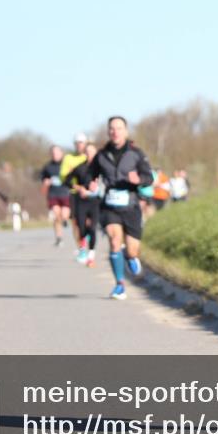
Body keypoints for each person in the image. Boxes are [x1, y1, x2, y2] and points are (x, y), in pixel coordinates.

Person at [87, 116, 154, 300]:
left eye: (119, 128)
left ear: (125, 131)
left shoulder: (136, 153)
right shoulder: (101, 155)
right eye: (112, 128)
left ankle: (130, 257)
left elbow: (149, 177)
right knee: (114, 240)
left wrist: (138, 180)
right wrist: (91, 183)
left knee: (132, 250)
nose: (115, 132)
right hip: (109, 205)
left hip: (131, 204)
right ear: (108, 132)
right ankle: (119, 285)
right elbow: (90, 174)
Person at [63, 142, 101, 267]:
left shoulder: (102, 167)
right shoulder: (80, 167)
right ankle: (83, 247)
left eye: (92, 152)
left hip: (96, 201)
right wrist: (79, 188)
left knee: (93, 228)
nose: (90, 154)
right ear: (85, 154)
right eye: (88, 152)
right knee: (82, 227)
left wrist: (99, 188)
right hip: (82, 201)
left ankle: (91, 256)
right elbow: (67, 180)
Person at [61, 132, 90, 262]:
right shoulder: (68, 158)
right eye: (77, 143)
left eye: (81, 142)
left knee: (89, 222)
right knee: (76, 223)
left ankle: (87, 240)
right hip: (75, 193)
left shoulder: (89, 156)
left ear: (86, 143)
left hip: (90, 194)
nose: (79, 145)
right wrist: (76, 186)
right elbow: (64, 175)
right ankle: (81, 248)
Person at [40, 145, 71, 246]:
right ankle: (59, 237)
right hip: (53, 194)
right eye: (53, 153)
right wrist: (46, 182)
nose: (55, 155)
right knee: (56, 215)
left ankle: (65, 220)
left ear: (61, 153)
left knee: (64, 215)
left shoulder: (67, 164)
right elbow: (43, 180)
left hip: (65, 193)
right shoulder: (47, 167)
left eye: (57, 152)